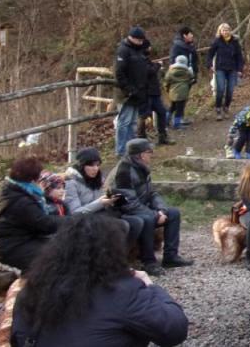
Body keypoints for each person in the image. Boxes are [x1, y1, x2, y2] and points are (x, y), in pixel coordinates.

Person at [10, 214, 189, 347]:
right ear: (114, 250)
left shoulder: (32, 289)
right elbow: (174, 330)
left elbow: (17, 337)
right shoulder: (123, 291)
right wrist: (150, 288)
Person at [113, 138, 194, 276]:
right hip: (125, 211)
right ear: (140, 154)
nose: (152, 154)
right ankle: (149, 262)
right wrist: (155, 215)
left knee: (173, 213)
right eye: (149, 151)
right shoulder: (124, 171)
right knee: (148, 220)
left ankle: (170, 257)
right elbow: (128, 203)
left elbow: (152, 193)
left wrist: (160, 209)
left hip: (143, 208)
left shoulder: (142, 167)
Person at [64, 147, 143, 251]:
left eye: (97, 165)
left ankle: (122, 257)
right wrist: (100, 202)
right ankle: (111, 259)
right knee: (122, 225)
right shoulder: (71, 183)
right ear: (82, 165)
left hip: (102, 215)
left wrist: (113, 200)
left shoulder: (98, 179)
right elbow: (75, 213)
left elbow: (103, 199)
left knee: (137, 222)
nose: (95, 168)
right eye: (91, 165)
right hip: (83, 221)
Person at [0, 157, 65, 271]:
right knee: (56, 257)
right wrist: (73, 220)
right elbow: (44, 224)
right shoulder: (20, 200)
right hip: (10, 246)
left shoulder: (13, 191)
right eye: (39, 178)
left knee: (62, 247)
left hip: (19, 240)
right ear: (32, 180)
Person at [114, 26, 150, 156]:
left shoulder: (139, 51)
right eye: (139, 40)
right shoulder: (123, 50)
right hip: (126, 94)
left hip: (138, 91)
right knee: (124, 122)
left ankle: (131, 148)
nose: (141, 43)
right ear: (132, 38)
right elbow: (119, 73)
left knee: (133, 122)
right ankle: (121, 149)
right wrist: (128, 89)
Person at [207, 22, 244, 121]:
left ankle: (226, 107)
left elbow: (239, 56)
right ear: (220, 31)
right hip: (220, 68)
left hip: (232, 68)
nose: (225, 32)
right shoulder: (217, 41)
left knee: (230, 90)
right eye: (223, 30)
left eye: (227, 30)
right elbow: (210, 53)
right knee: (220, 89)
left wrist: (240, 69)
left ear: (230, 31)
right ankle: (218, 109)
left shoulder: (235, 42)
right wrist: (210, 64)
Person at [139, 45, 174, 145]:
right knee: (144, 117)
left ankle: (162, 137)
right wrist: (158, 65)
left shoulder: (146, 59)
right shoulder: (140, 60)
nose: (150, 48)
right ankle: (142, 140)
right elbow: (149, 71)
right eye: (148, 46)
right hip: (146, 93)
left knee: (162, 112)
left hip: (154, 92)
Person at [169, 26, 198, 126]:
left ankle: (176, 118)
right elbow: (172, 61)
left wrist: (195, 74)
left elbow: (194, 61)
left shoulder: (190, 46)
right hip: (180, 77)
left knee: (182, 99)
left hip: (189, 74)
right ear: (185, 35)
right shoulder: (177, 46)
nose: (192, 36)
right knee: (177, 101)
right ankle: (174, 120)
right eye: (190, 34)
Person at [164, 54, 195, 130]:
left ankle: (165, 122)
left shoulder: (171, 71)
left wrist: (167, 90)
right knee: (179, 109)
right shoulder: (187, 71)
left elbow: (166, 81)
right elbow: (191, 79)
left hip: (173, 92)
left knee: (172, 107)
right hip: (183, 93)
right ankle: (176, 124)